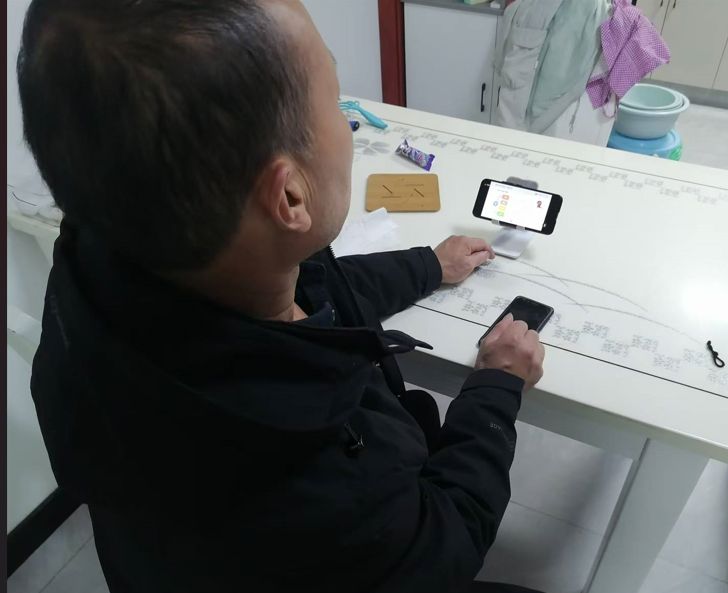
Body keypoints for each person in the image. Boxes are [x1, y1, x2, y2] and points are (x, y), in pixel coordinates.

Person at [19, 1, 546, 592]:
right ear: (290, 197)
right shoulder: (321, 482)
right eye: (338, 102)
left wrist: (428, 265)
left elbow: (318, 284)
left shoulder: (102, 265)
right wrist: (495, 390)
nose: (347, 127)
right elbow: (446, 541)